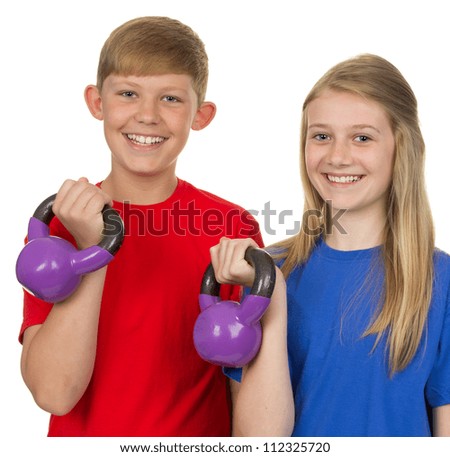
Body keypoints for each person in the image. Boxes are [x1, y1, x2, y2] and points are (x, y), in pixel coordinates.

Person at [18, 16, 263, 437]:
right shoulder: (59, 225)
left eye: (170, 98)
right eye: (128, 94)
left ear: (201, 115)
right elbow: (55, 393)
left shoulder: (231, 227)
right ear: (97, 102)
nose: (147, 116)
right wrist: (95, 247)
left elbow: (251, 395)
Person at [213, 54, 450, 436]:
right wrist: (270, 296)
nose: (338, 157)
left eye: (362, 137)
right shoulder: (268, 271)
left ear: (400, 147)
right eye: (321, 136)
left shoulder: (440, 280)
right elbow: (259, 442)